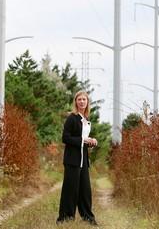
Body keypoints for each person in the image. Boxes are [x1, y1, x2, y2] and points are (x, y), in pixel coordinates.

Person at [56, 90, 98, 226]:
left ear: (87, 103)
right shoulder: (72, 118)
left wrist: (91, 142)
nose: (81, 102)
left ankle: (88, 218)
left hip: (83, 161)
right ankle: (65, 218)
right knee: (70, 190)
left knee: (85, 190)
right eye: (79, 99)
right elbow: (65, 138)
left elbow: (83, 141)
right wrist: (83, 140)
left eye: (84, 100)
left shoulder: (85, 120)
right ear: (76, 102)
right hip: (72, 160)